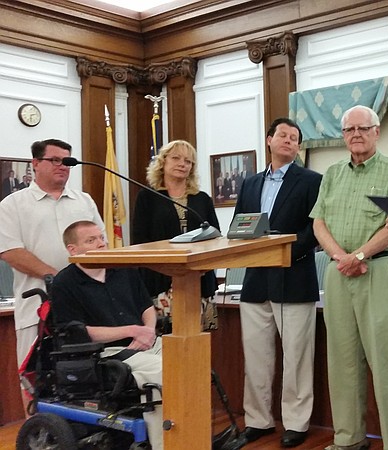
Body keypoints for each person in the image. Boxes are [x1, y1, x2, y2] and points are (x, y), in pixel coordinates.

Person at [310, 105, 388, 450]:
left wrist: (360, 255)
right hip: (338, 273)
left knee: (386, 362)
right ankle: (348, 440)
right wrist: (341, 257)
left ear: (376, 132)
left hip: (379, 270)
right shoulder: (332, 173)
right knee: (342, 363)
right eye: (349, 129)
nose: (355, 134)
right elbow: (318, 222)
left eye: (362, 128)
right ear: (343, 135)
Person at [233, 118, 322, 448]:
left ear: (298, 147)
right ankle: (257, 419)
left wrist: (284, 251)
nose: (288, 140)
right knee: (256, 357)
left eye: (294, 138)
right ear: (269, 140)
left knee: (296, 358)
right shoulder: (250, 183)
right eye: (282, 135)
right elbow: (241, 226)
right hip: (255, 281)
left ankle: (297, 423)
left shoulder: (312, 180)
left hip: (294, 276)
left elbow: (316, 230)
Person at [0, 138, 104, 410]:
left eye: (67, 161)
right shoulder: (12, 205)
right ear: (35, 164)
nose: (63, 166)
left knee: (89, 376)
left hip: (87, 305)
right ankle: (39, 434)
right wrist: (60, 279)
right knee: (36, 380)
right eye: (55, 160)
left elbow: (101, 246)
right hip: (37, 306)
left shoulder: (84, 201)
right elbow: (10, 251)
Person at [50, 220, 163, 450]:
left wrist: (148, 331)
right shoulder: (65, 283)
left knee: (191, 358)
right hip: (107, 352)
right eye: (91, 240)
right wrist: (132, 331)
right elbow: (79, 333)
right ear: (73, 249)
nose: (101, 244)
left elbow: (146, 308)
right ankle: (164, 444)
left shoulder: (123, 270)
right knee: (166, 370)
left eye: (101, 238)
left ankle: (195, 434)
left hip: (147, 340)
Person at [131, 140, 220, 322]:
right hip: (160, 281)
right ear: (163, 162)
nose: (182, 164)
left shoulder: (202, 199)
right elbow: (140, 242)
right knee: (166, 343)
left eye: (188, 161)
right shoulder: (148, 197)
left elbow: (215, 236)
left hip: (200, 280)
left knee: (203, 343)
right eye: (176, 158)